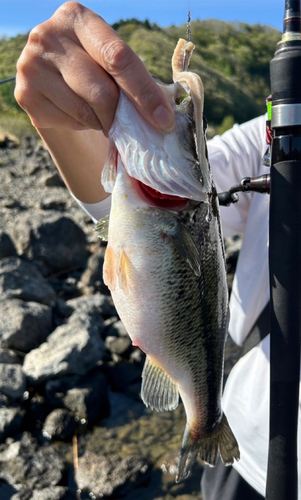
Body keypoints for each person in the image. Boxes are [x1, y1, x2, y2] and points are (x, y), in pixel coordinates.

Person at [14, 2, 301, 499]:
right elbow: (112, 203)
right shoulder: (271, 139)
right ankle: (203, 423)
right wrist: (59, 114)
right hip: (252, 451)